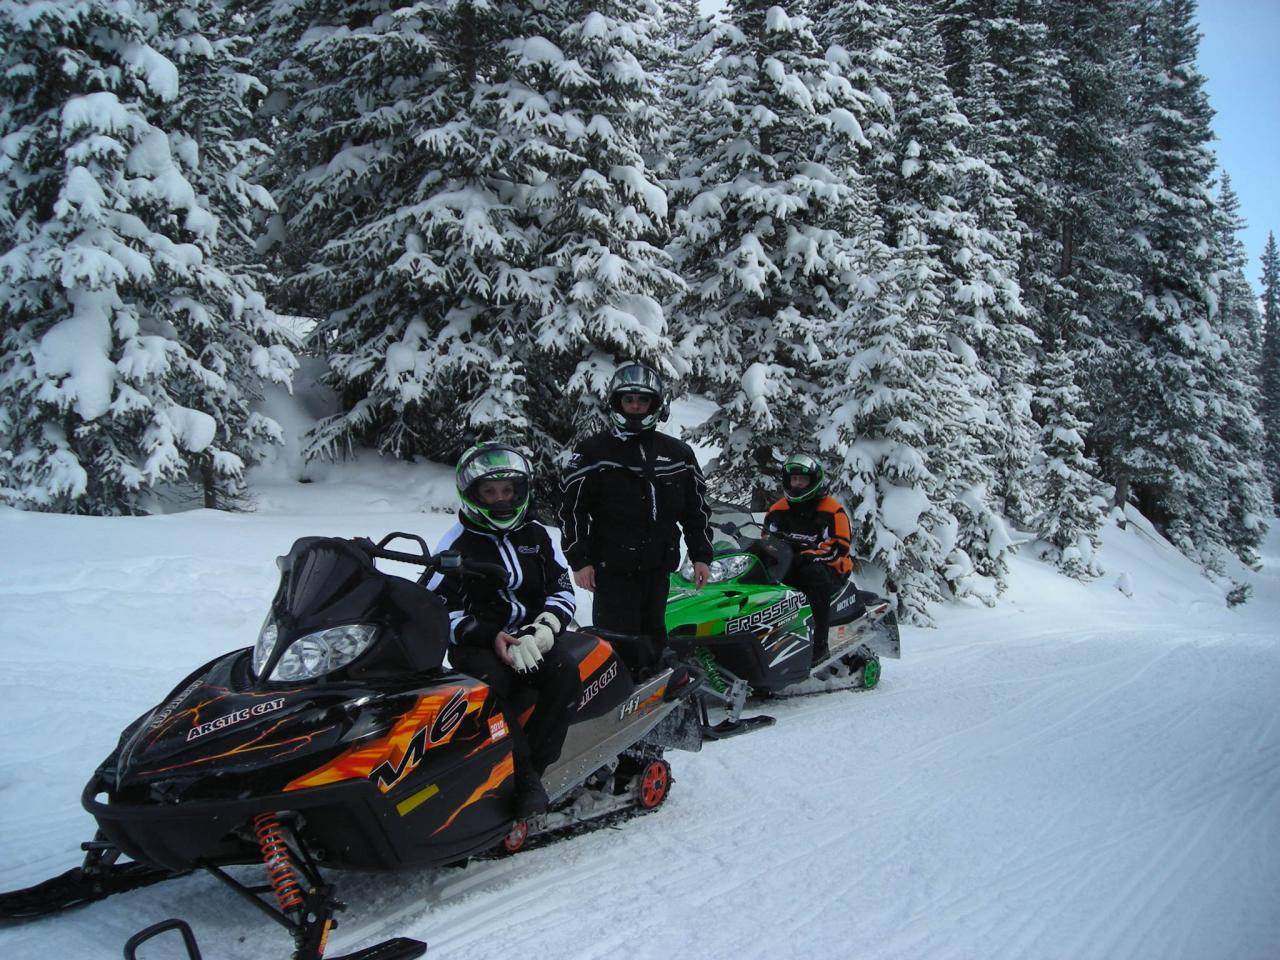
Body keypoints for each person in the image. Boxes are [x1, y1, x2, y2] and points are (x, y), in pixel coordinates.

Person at [428, 442, 581, 818]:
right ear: (473, 494)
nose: (501, 500)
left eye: (508, 491)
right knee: (490, 687)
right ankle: (517, 776)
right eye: (490, 492)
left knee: (564, 674)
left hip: (531, 635)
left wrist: (543, 628)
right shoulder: (455, 544)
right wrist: (485, 634)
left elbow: (562, 587)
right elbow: (437, 607)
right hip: (480, 640)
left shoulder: (537, 535)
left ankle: (536, 770)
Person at [560, 362, 714, 674]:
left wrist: (701, 555)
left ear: (654, 405)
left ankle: (654, 702)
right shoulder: (593, 451)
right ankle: (615, 708)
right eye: (628, 400)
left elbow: (696, 511)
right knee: (615, 646)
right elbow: (571, 510)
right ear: (616, 403)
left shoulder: (678, 454)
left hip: (658, 567)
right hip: (612, 568)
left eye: (642, 401)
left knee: (653, 638)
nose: (634, 407)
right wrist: (579, 560)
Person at [762, 453, 854, 665]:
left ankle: (820, 646)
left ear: (813, 481)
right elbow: (767, 541)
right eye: (793, 479)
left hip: (830, 568)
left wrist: (806, 556)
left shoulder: (832, 511)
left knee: (813, 577)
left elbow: (838, 547)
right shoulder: (778, 511)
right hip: (789, 565)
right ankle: (768, 640)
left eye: (802, 480)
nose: (797, 484)